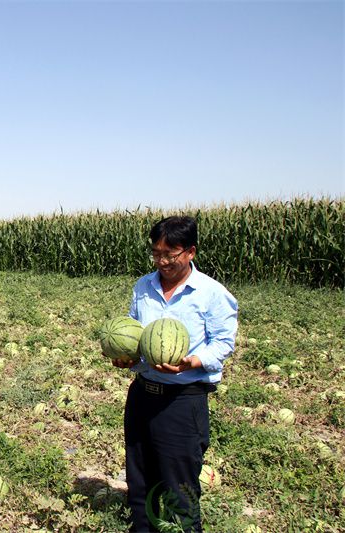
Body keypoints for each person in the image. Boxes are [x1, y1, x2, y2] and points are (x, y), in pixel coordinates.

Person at [112, 216, 238, 533]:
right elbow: (136, 331)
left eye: (171, 254)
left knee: (179, 489)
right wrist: (127, 355)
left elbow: (224, 342)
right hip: (142, 395)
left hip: (182, 402)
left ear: (190, 251)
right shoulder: (143, 286)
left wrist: (192, 361)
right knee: (140, 483)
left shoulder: (211, 293)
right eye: (157, 253)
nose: (163, 261)